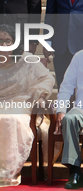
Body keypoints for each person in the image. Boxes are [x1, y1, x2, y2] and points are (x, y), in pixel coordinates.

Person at [0, 24, 55, 188]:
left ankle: (7, 172)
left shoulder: (26, 58)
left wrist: (41, 96)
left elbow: (47, 78)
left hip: (20, 103)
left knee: (12, 120)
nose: (4, 45)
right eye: (0, 40)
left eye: (8, 41)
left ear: (15, 42)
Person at [54, 50, 83, 189]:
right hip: (81, 108)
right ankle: (75, 172)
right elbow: (66, 86)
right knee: (69, 119)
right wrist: (61, 110)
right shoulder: (79, 56)